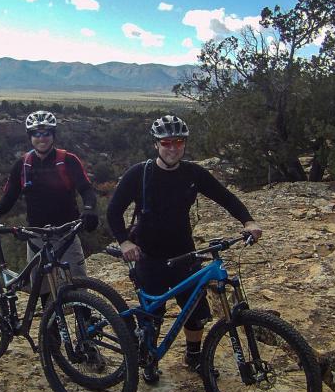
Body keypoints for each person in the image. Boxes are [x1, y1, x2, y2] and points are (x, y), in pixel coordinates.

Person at [106, 115, 262, 374]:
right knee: (152, 314)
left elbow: (225, 197)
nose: (172, 148)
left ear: (185, 144)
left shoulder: (192, 173)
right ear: (156, 144)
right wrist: (124, 242)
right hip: (148, 254)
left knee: (195, 310)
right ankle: (150, 360)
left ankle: (194, 357)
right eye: (166, 142)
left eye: (178, 142)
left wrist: (248, 221)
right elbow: (113, 211)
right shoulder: (139, 173)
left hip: (184, 252)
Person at [0, 110, 98, 282]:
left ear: (53, 135)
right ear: (30, 136)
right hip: (36, 236)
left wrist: (89, 209)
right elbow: (10, 196)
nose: (41, 138)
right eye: (36, 133)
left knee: (78, 284)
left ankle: (81, 308)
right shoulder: (22, 164)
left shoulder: (68, 160)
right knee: (42, 289)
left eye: (46, 133)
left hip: (66, 234)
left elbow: (86, 189)